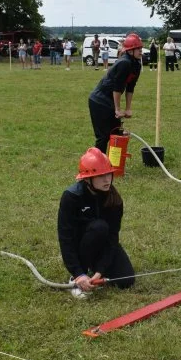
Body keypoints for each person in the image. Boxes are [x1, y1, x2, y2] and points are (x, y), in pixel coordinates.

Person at [58, 147, 135, 299]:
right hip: (80, 245)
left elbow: (113, 237)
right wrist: (78, 273)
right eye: (100, 176)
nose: (107, 180)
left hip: (102, 243)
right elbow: (65, 237)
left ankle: (94, 270)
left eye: (109, 174)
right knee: (99, 227)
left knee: (126, 280)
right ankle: (78, 278)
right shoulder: (71, 197)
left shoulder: (114, 200)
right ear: (87, 178)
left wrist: (100, 271)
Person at [88, 33, 143, 153]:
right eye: (138, 48)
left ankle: (115, 164)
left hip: (109, 100)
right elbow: (117, 88)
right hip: (99, 100)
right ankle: (98, 165)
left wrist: (128, 108)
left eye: (141, 48)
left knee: (116, 132)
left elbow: (130, 87)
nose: (141, 51)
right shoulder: (124, 63)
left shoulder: (136, 65)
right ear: (130, 51)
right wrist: (118, 109)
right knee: (103, 136)